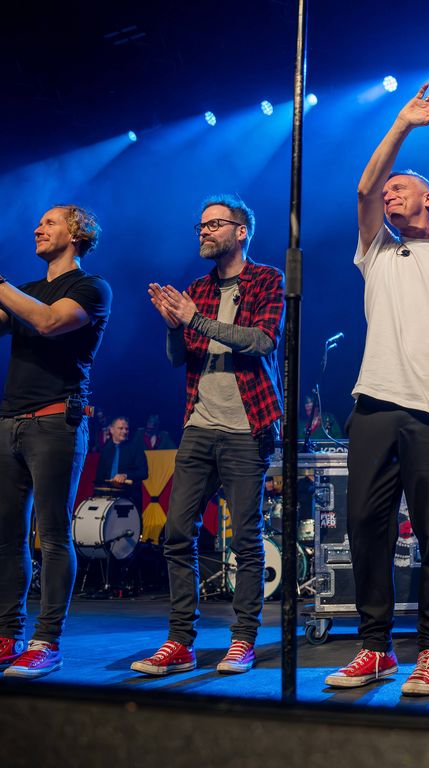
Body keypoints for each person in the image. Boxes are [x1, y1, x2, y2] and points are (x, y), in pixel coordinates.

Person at [323, 83, 429, 698]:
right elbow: (364, 190)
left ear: (428, 198)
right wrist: (402, 125)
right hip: (374, 404)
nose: (389, 192)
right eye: (388, 188)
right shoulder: (377, 251)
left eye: (402, 186)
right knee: (365, 526)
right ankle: (375, 649)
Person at [0, 205, 111, 679]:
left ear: (77, 233)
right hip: (7, 423)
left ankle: (46, 642)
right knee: (5, 536)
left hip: (56, 421)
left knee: (53, 534)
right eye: (38, 222)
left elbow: (49, 322)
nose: (38, 228)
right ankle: (5, 638)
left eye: (50, 222)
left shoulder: (92, 287)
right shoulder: (24, 290)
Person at [133, 194, 284, 677]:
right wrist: (173, 327)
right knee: (177, 534)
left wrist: (193, 319)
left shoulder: (267, 279)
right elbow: (179, 358)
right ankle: (180, 641)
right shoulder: (196, 289)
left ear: (241, 231)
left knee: (246, 540)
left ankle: (242, 641)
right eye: (200, 225)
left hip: (247, 427)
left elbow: (261, 340)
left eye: (215, 224)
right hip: (198, 426)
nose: (204, 231)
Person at [94, 416, 149, 507]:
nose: (124, 431)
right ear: (111, 430)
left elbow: (144, 473)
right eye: (120, 428)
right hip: (107, 497)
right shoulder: (105, 449)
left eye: (126, 429)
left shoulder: (135, 448)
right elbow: (99, 476)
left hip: (129, 496)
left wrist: (125, 476)